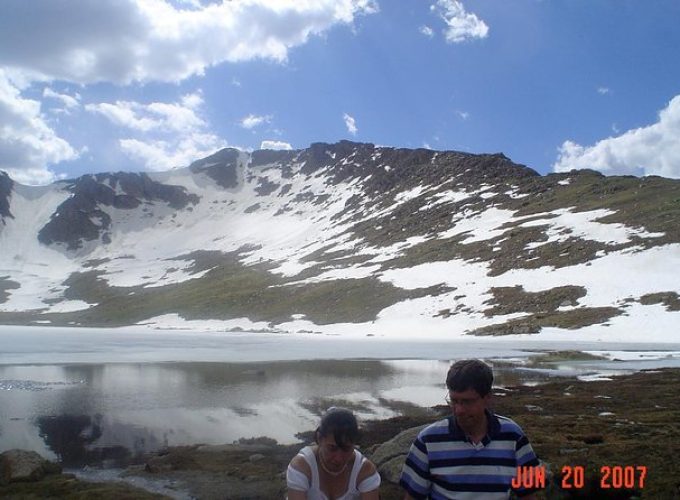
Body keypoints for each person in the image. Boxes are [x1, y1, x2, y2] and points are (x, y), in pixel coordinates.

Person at [400, 359, 542, 499]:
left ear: (487, 398)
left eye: (467, 402)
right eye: (454, 400)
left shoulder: (513, 435)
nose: (459, 410)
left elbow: (529, 495)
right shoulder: (428, 440)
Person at [287, 407, 381, 499]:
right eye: (332, 448)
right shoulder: (302, 467)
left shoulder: (364, 471)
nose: (338, 458)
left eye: (346, 449)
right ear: (319, 439)